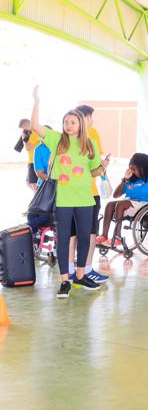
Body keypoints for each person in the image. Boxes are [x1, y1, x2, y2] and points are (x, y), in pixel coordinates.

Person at [28, 88, 104, 297]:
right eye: (66, 122)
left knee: (84, 237)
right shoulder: (57, 140)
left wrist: (102, 168)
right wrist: (37, 102)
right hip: (63, 199)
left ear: (81, 124)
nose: (68, 126)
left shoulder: (90, 143)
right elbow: (35, 126)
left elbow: (94, 170)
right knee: (63, 239)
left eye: (72, 122)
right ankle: (64, 281)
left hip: (85, 198)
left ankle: (80, 276)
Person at [103, 152, 148, 250]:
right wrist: (125, 179)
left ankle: (118, 237)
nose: (132, 172)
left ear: (143, 168)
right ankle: (104, 236)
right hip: (130, 202)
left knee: (121, 204)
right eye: (131, 169)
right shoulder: (131, 178)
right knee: (109, 205)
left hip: (145, 203)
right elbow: (115, 195)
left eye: (135, 169)